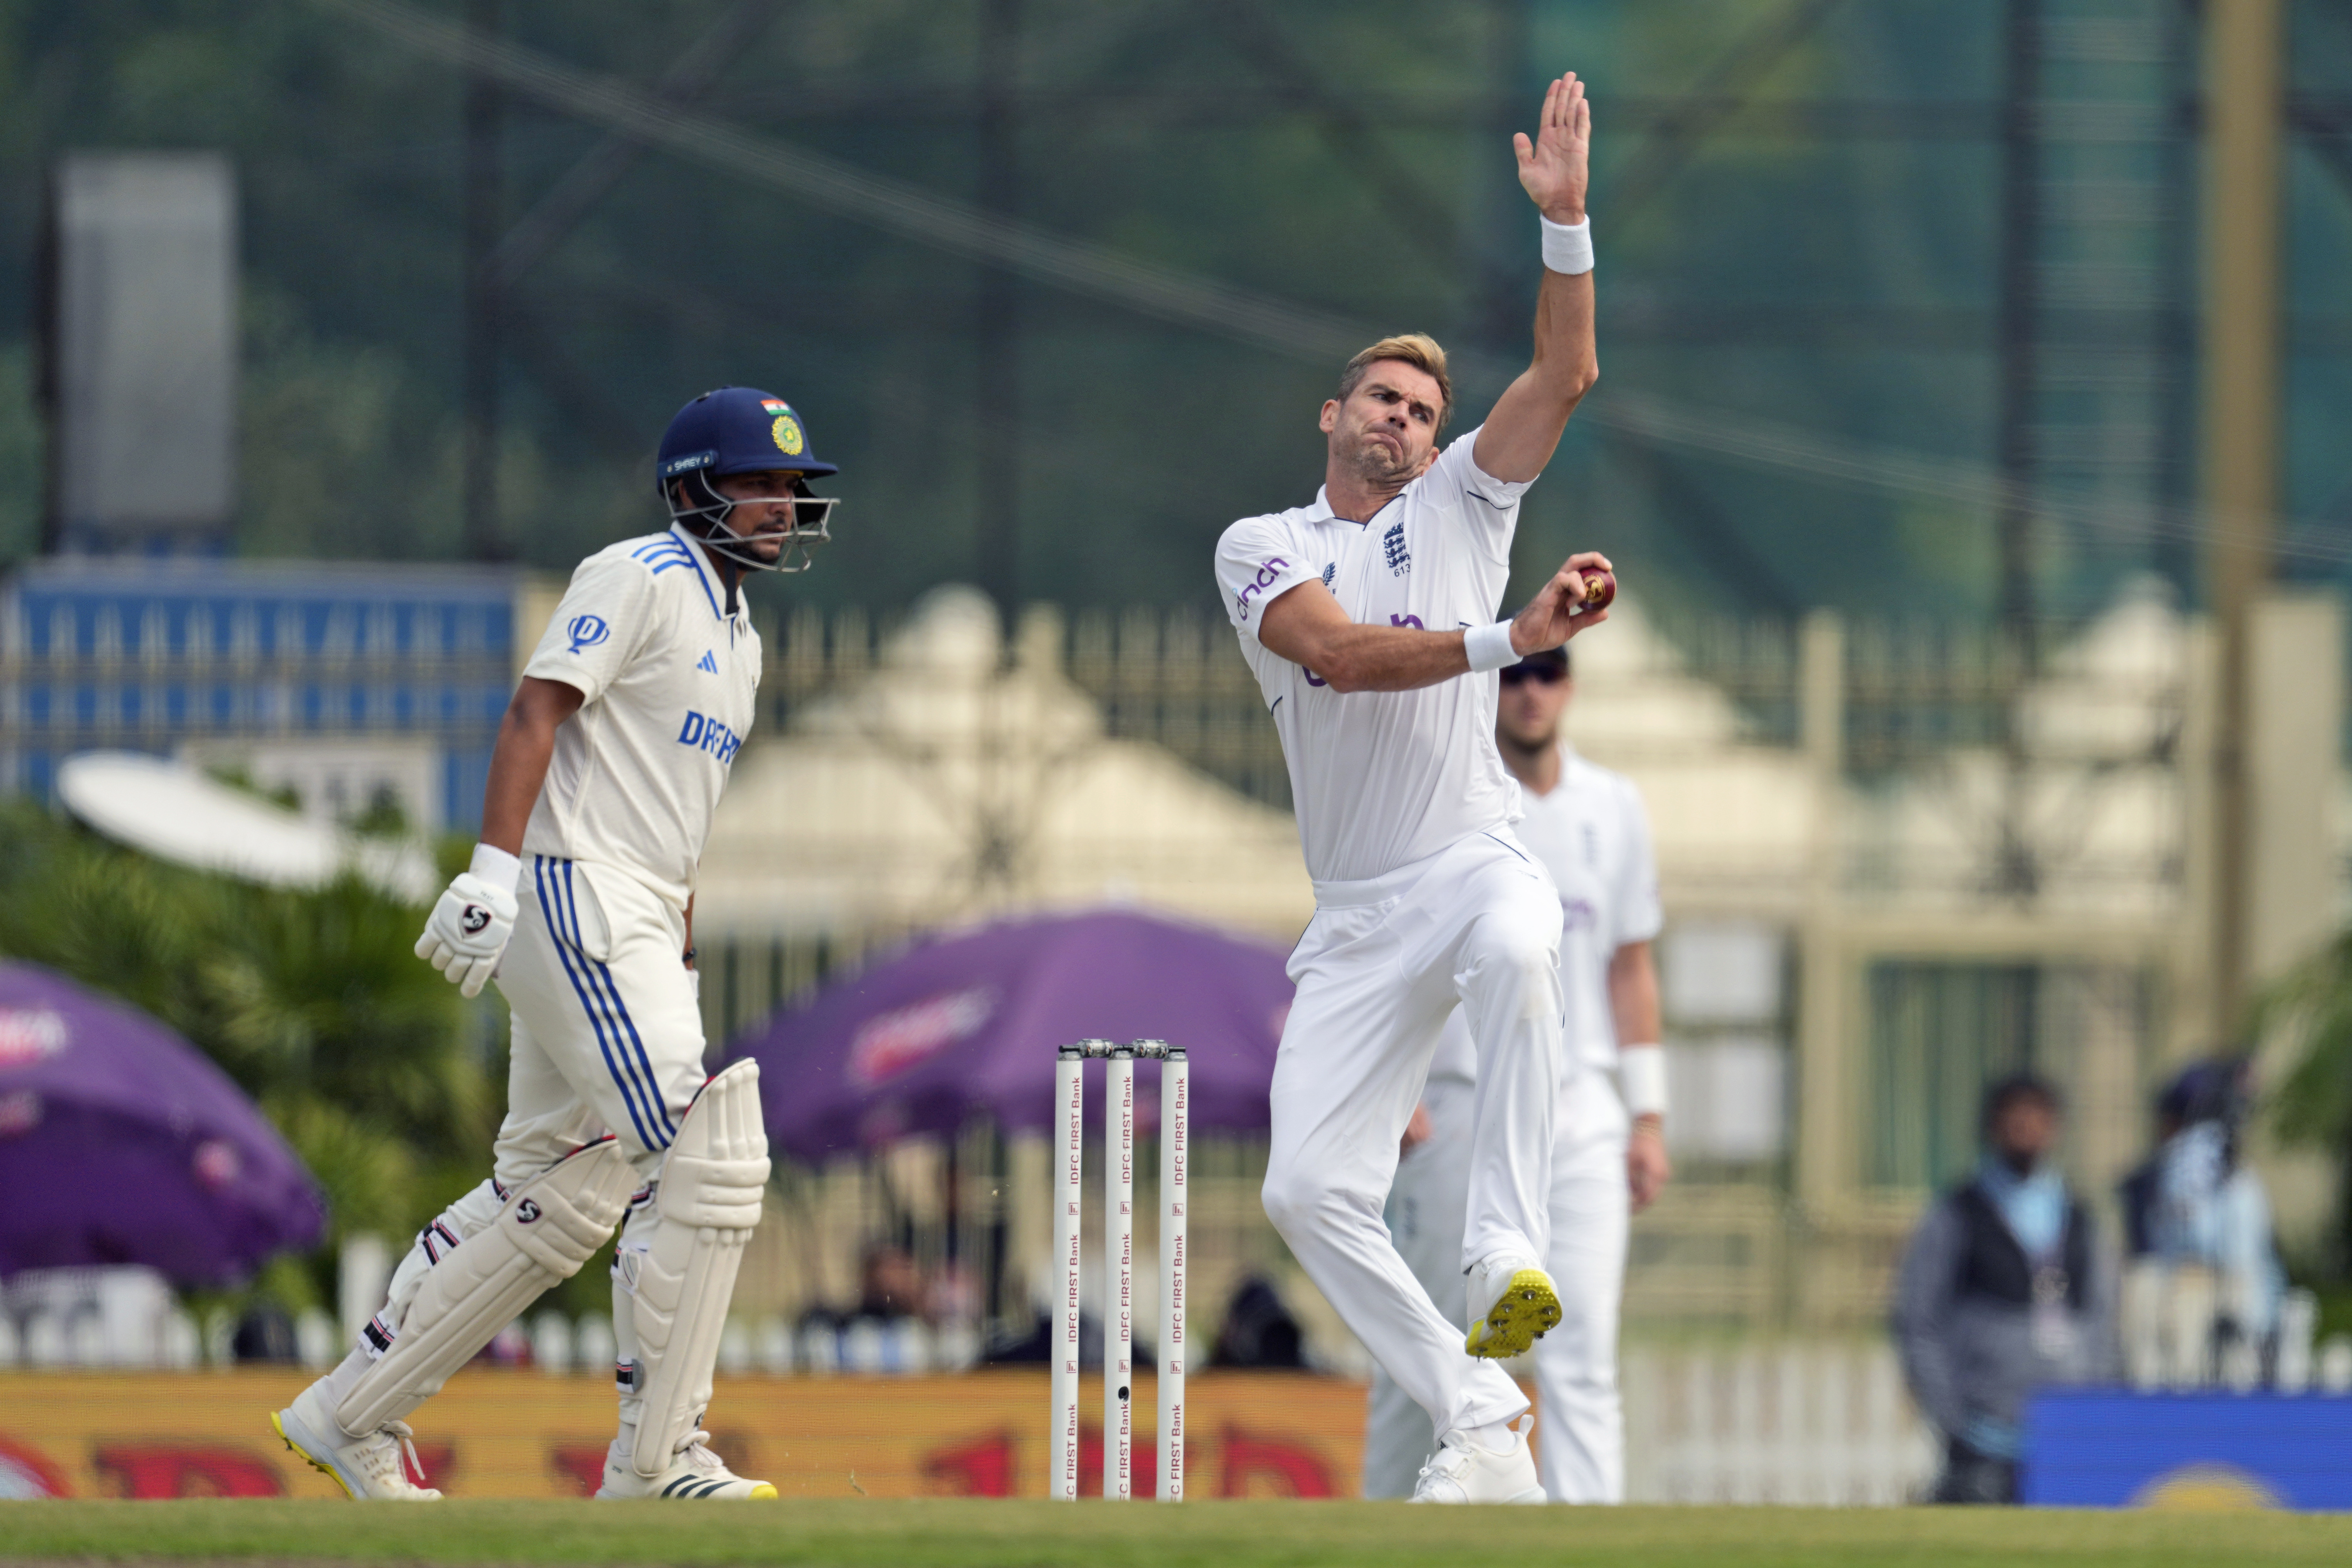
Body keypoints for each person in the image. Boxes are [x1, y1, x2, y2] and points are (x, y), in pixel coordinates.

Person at [270, 386, 839, 1501]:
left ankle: (348, 1415)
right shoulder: (639, 573)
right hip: (575, 891)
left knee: (557, 1188)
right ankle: (658, 1459)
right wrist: (491, 871)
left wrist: (677, 943)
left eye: (790, 488)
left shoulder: (741, 633)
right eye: (757, 483)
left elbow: (676, 812)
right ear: (692, 490)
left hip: (638, 912)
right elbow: (538, 709)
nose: (779, 505)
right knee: (702, 1151)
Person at [1213, 73, 1609, 1505]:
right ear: (1332, 412)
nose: (1400, 417)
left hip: (1467, 859)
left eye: (1422, 407)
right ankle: (1482, 1421)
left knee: (1518, 937)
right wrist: (1513, 640)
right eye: (1380, 395)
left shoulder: (1466, 499)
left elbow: (1562, 376)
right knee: (1304, 1190)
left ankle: (1505, 1248)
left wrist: (1563, 226)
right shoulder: (1263, 543)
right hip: (1359, 911)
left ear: (1442, 441)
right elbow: (1335, 657)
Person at [1361, 645, 1666, 1503]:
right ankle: (1383, 1535)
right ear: (1489, 685)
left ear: (1566, 686)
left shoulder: (1612, 806)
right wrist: (1394, 1085)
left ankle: (1579, 1544)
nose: (1529, 691)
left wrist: (1647, 1118)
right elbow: (1388, 951)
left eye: (1546, 673)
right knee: (1425, 1353)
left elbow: (1628, 965)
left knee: (1579, 1361)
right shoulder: (1442, 802)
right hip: (1460, 1104)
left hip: (1580, 1114)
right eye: (1513, 673)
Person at [1892, 1073, 2115, 1505]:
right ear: (1992, 1126)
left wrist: (2095, 1402)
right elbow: (1917, 1319)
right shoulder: (1958, 1213)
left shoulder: (2080, 1218)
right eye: (2014, 1117)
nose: (2026, 1128)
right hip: (1984, 1435)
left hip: (2065, 1435)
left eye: (2037, 1117)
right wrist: (1951, 1416)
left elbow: (2103, 1318)